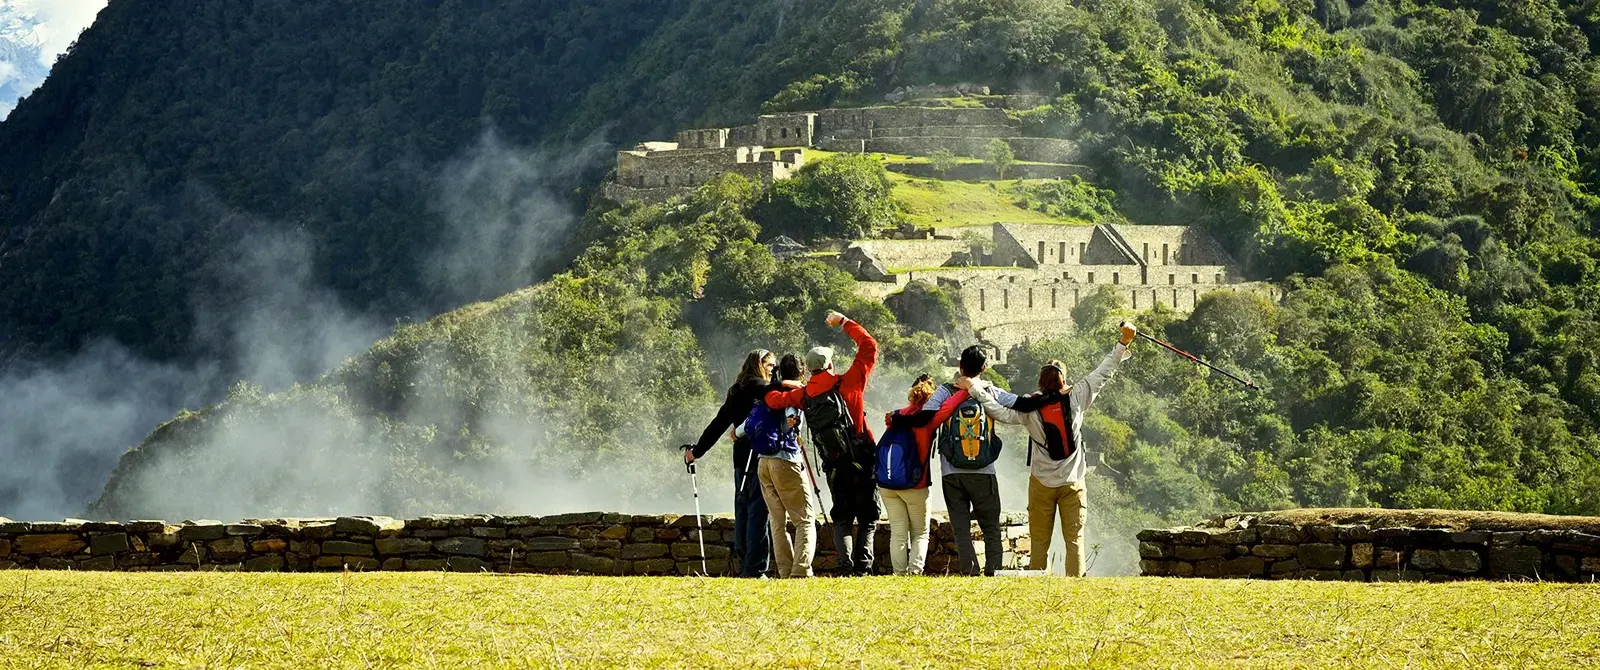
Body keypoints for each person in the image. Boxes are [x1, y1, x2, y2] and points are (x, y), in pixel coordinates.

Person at [961, 321, 1137, 576]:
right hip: (1073, 482)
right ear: (1064, 379)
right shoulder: (1077, 397)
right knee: (1074, 541)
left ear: (1041, 382)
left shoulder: (1029, 407)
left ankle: (1037, 587)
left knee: (1039, 543)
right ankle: (1075, 589)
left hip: (1042, 483)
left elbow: (999, 411)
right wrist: (1123, 342)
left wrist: (975, 388)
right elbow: (1103, 372)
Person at [765, 310, 879, 576]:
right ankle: (863, 567)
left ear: (809, 369)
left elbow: (773, 400)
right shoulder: (849, 382)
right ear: (829, 365)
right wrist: (843, 322)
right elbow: (869, 346)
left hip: (834, 463)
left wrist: (781, 383)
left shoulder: (804, 395)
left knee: (841, 517)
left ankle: (844, 565)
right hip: (861, 456)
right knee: (868, 517)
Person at [896, 345, 1010, 576]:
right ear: (984, 368)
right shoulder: (989, 390)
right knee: (991, 527)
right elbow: (1019, 403)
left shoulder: (945, 391)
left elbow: (925, 417)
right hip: (984, 472)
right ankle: (994, 571)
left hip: (952, 473)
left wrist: (898, 417)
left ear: (960, 366)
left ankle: (969, 570)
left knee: (961, 528)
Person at [682, 350, 777, 578]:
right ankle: (756, 569)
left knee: (742, 510)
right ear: (759, 364)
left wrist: (697, 451)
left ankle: (745, 564)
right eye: (771, 365)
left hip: (740, 459)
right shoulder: (758, 386)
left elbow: (719, 422)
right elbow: (778, 392)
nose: (773, 370)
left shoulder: (736, 390)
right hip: (758, 458)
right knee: (758, 513)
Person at [879, 375, 968, 575]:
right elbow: (951, 404)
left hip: (888, 484)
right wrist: (969, 387)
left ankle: (899, 573)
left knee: (898, 532)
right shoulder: (928, 419)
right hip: (915, 484)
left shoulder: (897, 416)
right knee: (920, 532)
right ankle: (915, 571)